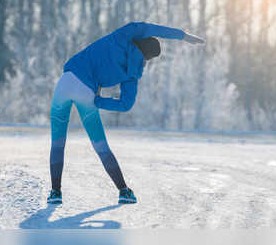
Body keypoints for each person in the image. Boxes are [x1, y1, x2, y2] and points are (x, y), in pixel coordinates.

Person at [47, 21, 204, 204]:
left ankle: (55, 192)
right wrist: (98, 101)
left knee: (58, 142)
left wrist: (182, 35)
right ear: (148, 58)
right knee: (101, 146)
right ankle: (124, 191)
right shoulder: (133, 74)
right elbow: (125, 104)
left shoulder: (123, 36)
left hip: (66, 81)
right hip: (87, 94)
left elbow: (155, 29)